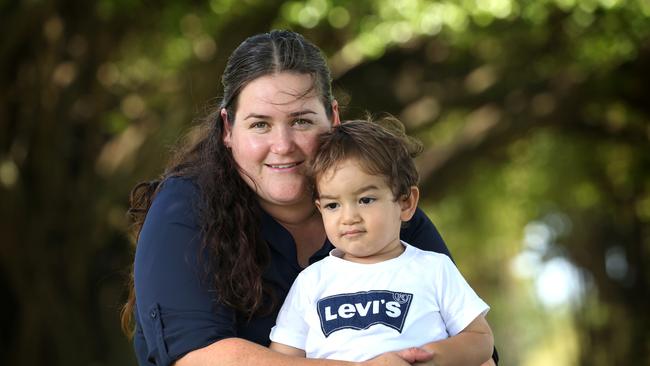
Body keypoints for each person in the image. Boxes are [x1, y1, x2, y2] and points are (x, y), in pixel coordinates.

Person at [121, 30, 498, 366]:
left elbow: (474, 346)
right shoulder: (185, 207)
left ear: (332, 119)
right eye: (260, 125)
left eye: (301, 120)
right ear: (228, 129)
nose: (282, 146)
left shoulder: (382, 207)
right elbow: (198, 356)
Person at [268, 117, 494, 365]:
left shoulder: (433, 269)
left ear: (406, 203)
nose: (349, 217)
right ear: (320, 209)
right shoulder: (311, 282)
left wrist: (431, 358)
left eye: (365, 200)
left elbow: (480, 338)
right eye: (333, 205)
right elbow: (282, 359)